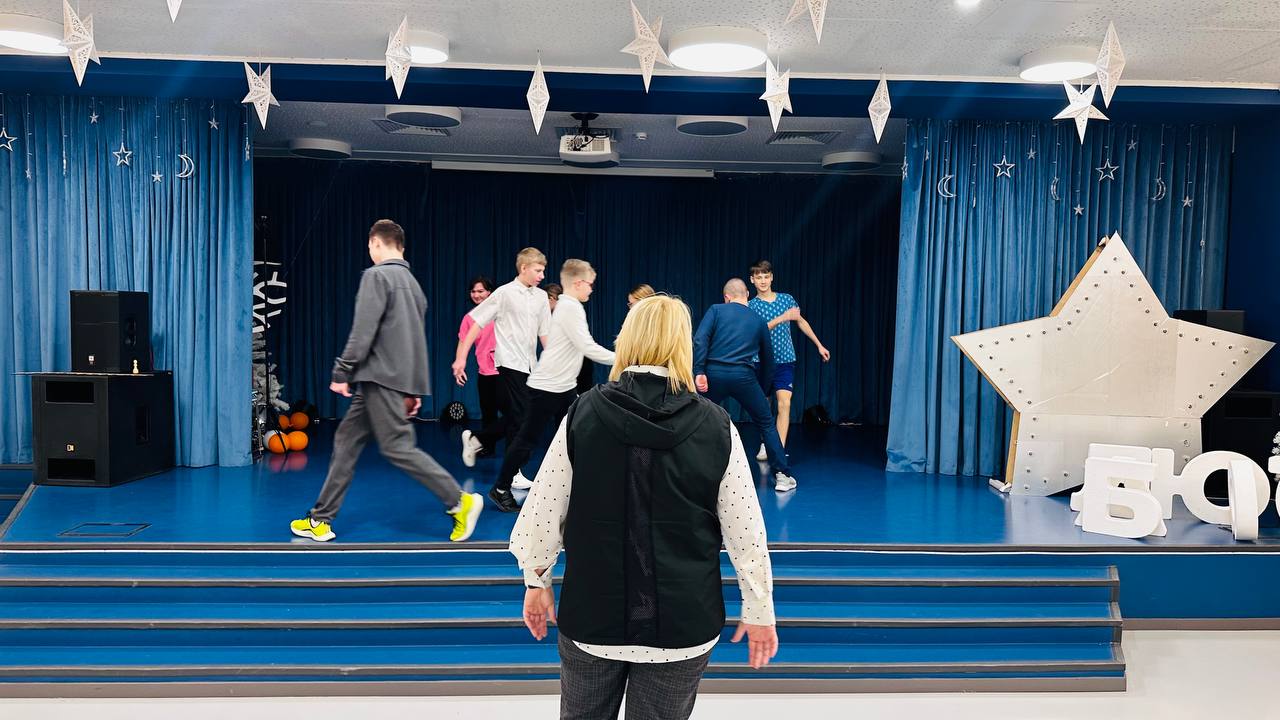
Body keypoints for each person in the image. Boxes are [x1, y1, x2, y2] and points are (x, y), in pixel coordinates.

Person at [512, 294, 778, 720]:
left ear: (627, 339)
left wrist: (535, 581)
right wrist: (760, 609)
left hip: (593, 616)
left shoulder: (583, 413)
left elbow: (543, 514)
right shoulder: (717, 425)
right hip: (683, 624)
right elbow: (746, 534)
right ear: (683, 345)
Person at [290, 220, 483, 543]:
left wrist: (341, 371)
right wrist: (414, 389)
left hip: (379, 379)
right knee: (346, 442)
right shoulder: (414, 285)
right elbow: (415, 342)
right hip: (384, 381)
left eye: (370, 246)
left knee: (397, 447)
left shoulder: (376, 277)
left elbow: (363, 331)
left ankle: (459, 501)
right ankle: (320, 519)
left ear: (376, 243)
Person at [491, 260, 615, 510]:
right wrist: (623, 358)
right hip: (548, 388)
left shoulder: (570, 307)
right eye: (590, 284)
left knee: (577, 434)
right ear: (578, 283)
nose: (591, 289)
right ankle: (501, 488)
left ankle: (576, 486)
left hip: (563, 387)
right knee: (527, 439)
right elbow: (587, 346)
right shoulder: (570, 308)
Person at [694, 278, 797, 492]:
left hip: (713, 375)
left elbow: (700, 340)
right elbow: (768, 360)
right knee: (766, 423)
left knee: (696, 419)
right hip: (744, 377)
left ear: (726, 297)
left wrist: (699, 371)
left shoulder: (715, 310)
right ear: (747, 295)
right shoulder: (758, 320)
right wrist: (763, 388)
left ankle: (692, 471)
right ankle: (782, 476)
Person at [453, 248, 552, 468]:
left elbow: (544, 332)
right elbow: (476, 324)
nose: (542, 275)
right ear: (524, 268)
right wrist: (461, 359)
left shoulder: (541, 297)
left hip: (529, 365)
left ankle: (478, 441)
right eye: (538, 271)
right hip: (507, 363)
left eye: (543, 271)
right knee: (520, 415)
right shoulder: (504, 293)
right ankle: (512, 470)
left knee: (523, 415)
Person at [747, 260, 831, 461]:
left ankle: (778, 449)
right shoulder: (751, 306)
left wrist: (819, 345)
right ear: (752, 280)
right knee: (764, 407)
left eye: (766, 276)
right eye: (759, 277)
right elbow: (757, 331)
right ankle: (765, 443)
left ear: (772, 278)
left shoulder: (786, 299)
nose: (763, 281)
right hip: (761, 362)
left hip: (785, 361)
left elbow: (800, 321)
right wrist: (782, 318)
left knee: (784, 404)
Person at [459, 275, 500, 457]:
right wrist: (460, 364)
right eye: (473, 291)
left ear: (489, 292)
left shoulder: (500, 312)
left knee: (515, 414)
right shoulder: (469, 318)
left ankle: (480, 440)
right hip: (484, 372)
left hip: (505, 370)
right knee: (488, 413)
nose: (476, 295)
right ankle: (486, 448)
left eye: (481, 291)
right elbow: (463, 342)